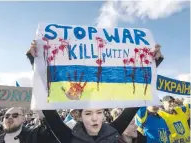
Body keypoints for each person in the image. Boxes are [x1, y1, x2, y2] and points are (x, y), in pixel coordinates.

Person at [26, 40, 164, 143]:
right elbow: (46, 106)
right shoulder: (68, 137)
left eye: (99, 112)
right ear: (79, 117)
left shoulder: (113, 132)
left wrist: (152, 63)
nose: (94, 118)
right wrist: (35, 60)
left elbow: (136, 102)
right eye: (88, 113)